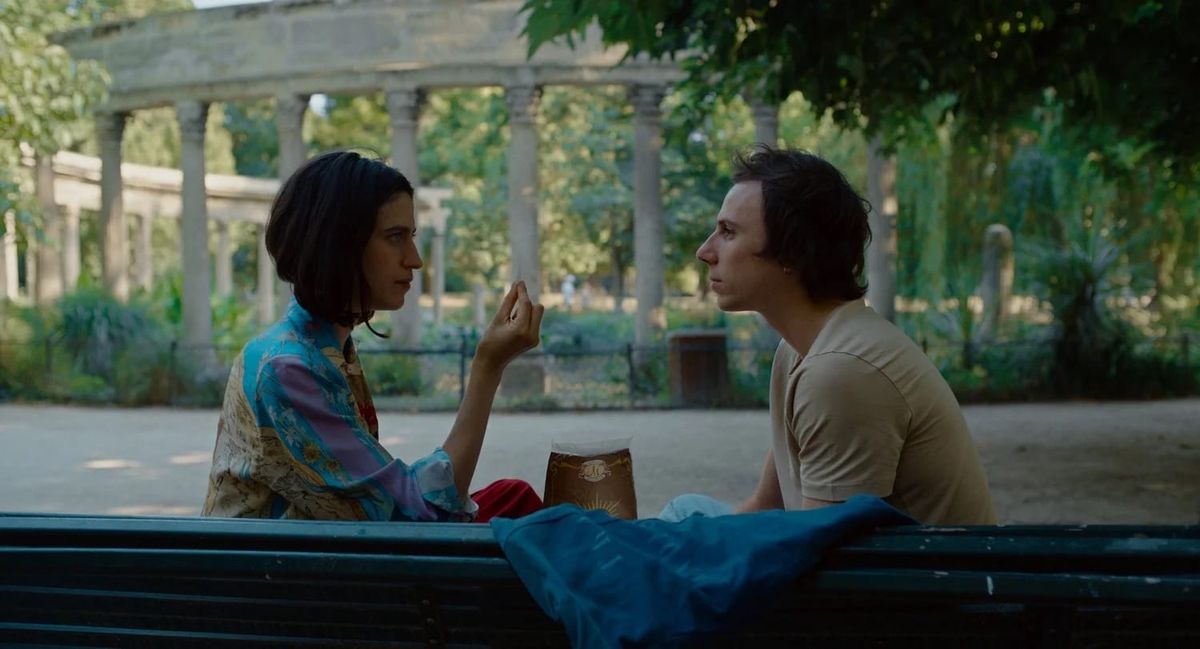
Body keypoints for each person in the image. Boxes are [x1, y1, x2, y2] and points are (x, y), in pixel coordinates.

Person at [202, 150, 545, 523]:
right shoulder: (287, 369)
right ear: (340, 244)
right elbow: (414, 515)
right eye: (396, 237)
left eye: (411, 236)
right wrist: (487, 367)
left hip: (318, 558)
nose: (415, 259)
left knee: (513, 499)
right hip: (285, 577)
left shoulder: (319, 345)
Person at [663, 146, 995, 525]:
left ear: (793, 253)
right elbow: (766, 506)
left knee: (676, 530)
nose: (705, 251)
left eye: (728, 232)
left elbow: (820, 558)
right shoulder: (801, 349)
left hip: (914, 582)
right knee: (685, 515)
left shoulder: (841, 372)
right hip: (872, 570)